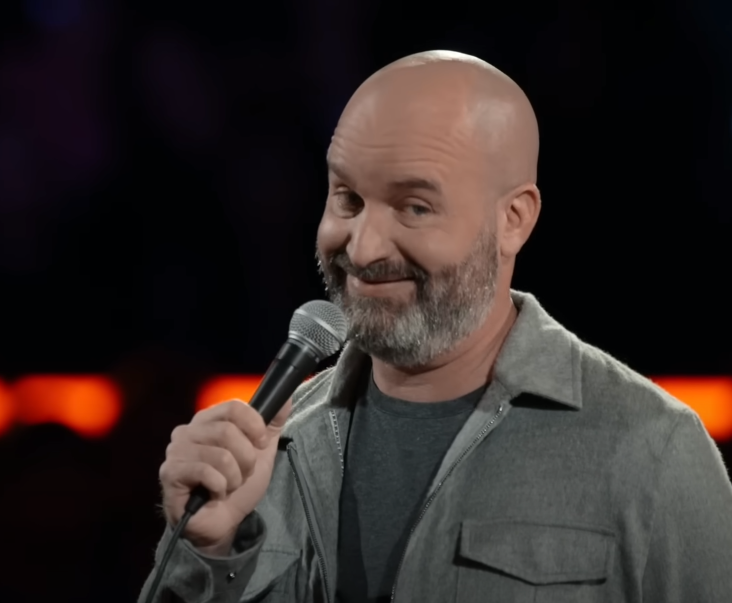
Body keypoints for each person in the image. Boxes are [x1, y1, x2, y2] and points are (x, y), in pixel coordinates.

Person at [139, 50, 732, 603]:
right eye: (346, 198)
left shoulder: (653, 453)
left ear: (514, 220)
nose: (365, 247)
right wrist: (212, 549)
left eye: (414, 207)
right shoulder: (272, 451)